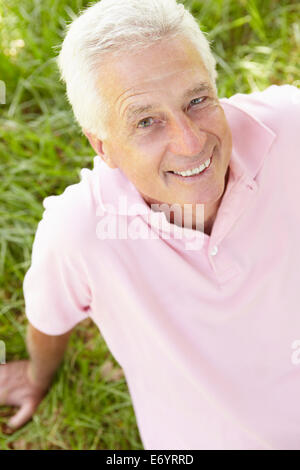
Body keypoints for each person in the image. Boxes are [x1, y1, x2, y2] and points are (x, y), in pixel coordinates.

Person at [1, 0, 300, 450]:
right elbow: (49, 316)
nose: (191, 142)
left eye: (197, 100)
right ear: (103, 147)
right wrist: (37, 376)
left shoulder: (289, 128)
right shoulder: (79, 232)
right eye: (146, 121)